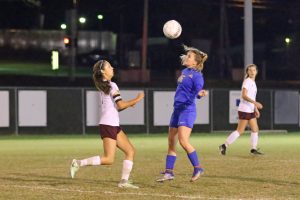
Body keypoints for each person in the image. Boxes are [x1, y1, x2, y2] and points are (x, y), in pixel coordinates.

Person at [70, 60, 144, 189]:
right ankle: (78, 163)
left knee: (130, 151)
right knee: (109, 159)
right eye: (109, 67)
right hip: (108, 125)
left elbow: (118, 106)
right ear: (103, 72)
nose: (112, 68)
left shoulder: (106, 85)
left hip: (112, 125)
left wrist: (130, 103)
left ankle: (123, 181)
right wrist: (137, 99)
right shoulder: (111, 85)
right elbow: (120, 105)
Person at [156, 45, 208, 182]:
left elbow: (198, 90)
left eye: (189, 56)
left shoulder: (197, 76)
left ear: (195, 63)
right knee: (171, 142)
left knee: (183, 141)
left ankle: (198, 168)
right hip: (177, 110)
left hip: (187, 110)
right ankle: (169, 172)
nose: (186, 57)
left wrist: (200, 93)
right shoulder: (185, 71)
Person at [219, 64, 263, 155]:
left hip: (250, 109)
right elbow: (244, 96)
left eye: (254, 70)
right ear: (247, 72)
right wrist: (255, 103)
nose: (252, 72)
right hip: (244, 109)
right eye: (250, 70)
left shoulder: (253, 82)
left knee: (255, 129)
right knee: (240, 130)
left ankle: (253, 149)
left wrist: (255, 109)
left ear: (256, 72)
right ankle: (224, 145)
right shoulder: (247, 81)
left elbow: (252, 97)